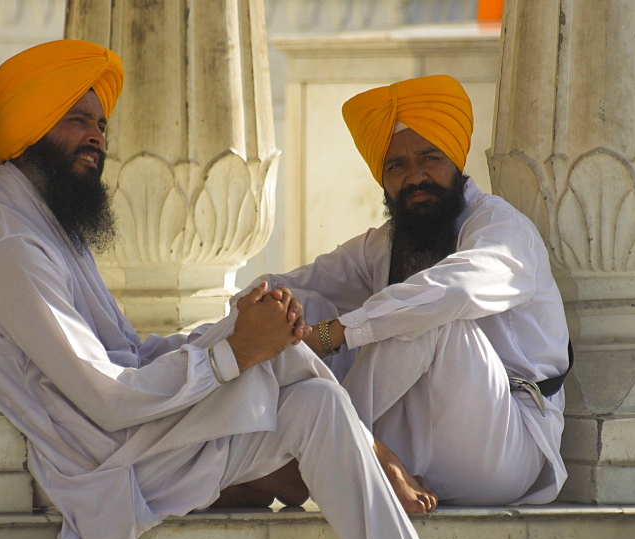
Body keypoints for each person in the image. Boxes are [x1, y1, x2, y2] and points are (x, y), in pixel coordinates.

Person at [0, 40, 543, 539]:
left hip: (122, 438)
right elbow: (110, 398)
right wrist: (233, 349)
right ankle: (360, 463)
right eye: (79, 119)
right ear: (31, 126)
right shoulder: (9, 246)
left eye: (100, 123)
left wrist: (241, 334)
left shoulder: (42, 229)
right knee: (293, 371)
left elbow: (127, 350)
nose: (97, 136)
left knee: (309, 398)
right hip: (95, 457)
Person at [242, 75, 571, 513]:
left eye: (430, 158)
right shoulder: (381, 245)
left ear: (456, 161)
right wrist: (257, 313)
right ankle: (327, 451)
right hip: (412, 444)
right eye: (396, 165)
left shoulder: (502, 229)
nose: (415, 176)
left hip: (503, 447)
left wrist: (333, 334)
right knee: (299, 306)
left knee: (427, 315)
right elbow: (276, 284)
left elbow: (451, 291)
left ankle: (319, 455)